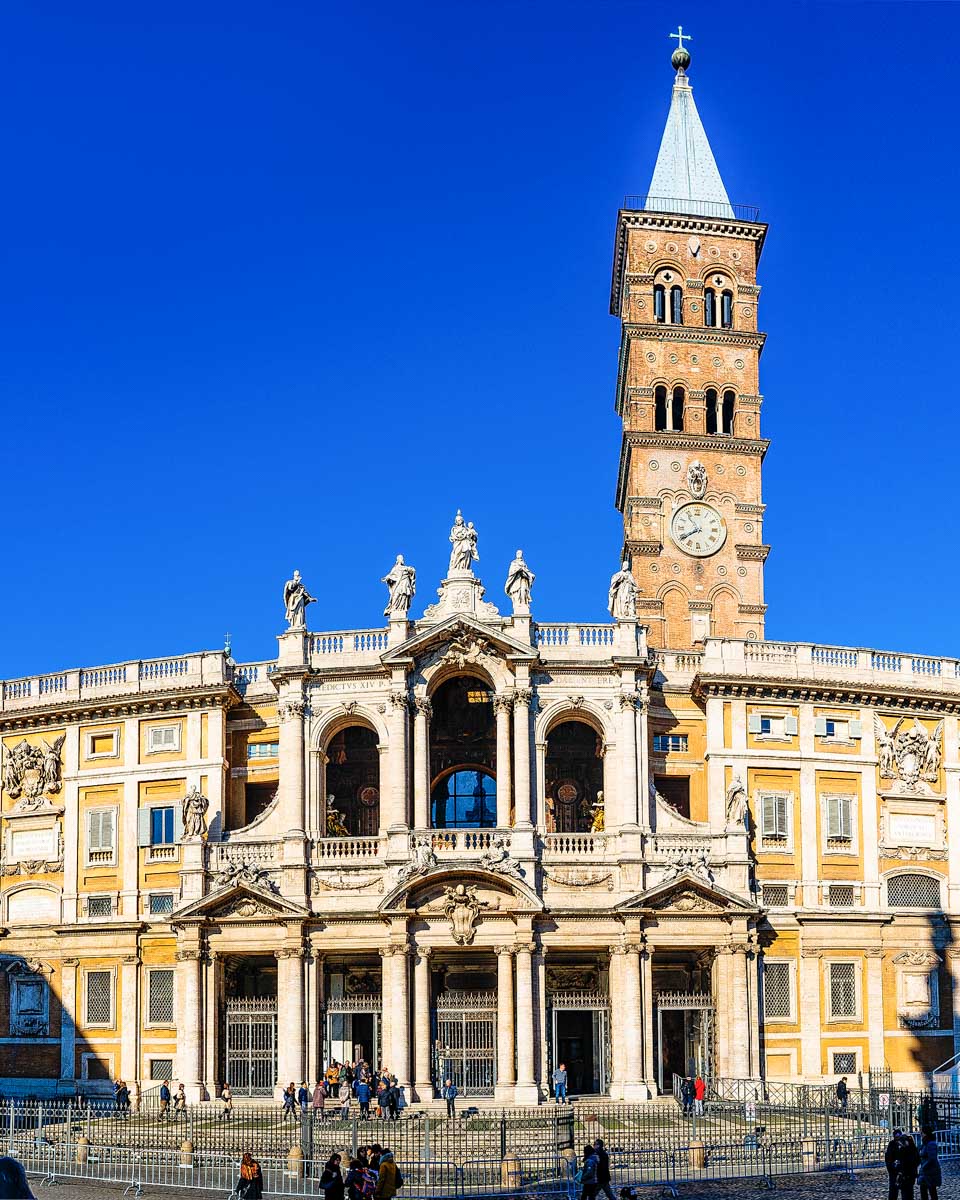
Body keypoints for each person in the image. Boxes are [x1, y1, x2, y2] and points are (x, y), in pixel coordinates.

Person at [886, 1129, 921, 1200]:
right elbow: (888, 1158)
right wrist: (892, 1166)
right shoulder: (892, 1144)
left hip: (906, 1174)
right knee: (893, 1191)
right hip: (895, 1172)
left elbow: (915, 1160)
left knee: (907, 1193)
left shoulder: (909, 1148)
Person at [919, 1128, 941, 1200]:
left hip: (930, 1171)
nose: (921, 1134)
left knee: (932, 1191)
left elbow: (932, 1158)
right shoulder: (925, 1143)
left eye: (922, 1133)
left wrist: (924, 1167)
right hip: (925, 1171)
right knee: (923, 1190)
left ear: (926, 1133)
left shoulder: (931, 1144)